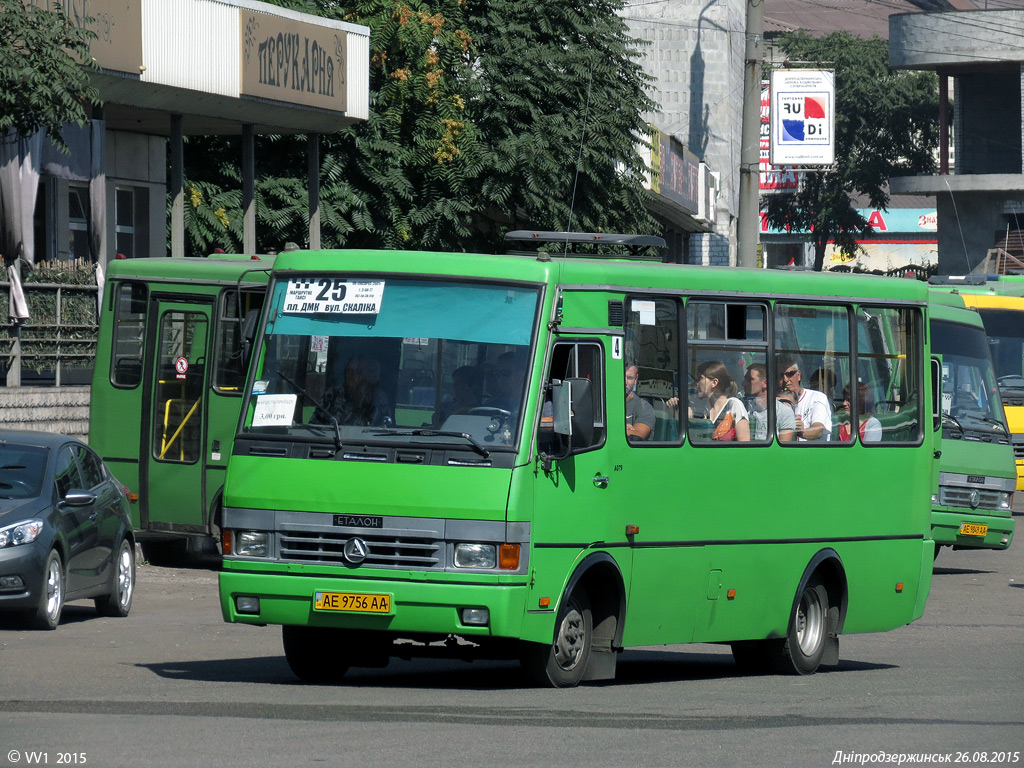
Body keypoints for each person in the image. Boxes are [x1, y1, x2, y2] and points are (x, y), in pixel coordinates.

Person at [323, 355, 392, 426]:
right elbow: (315, 425)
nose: (350, 375)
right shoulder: (333, 394)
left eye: (358, 371)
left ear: (368, 376)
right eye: (349, 370)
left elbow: (377, 430)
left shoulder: (379, 400)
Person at [692, 360, 750, 442]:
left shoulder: (733, 405)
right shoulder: (703, 409)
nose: (696, 384)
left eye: (700, 379)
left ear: (714, 383)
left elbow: (745, 443)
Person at [778, 356, 831, 441]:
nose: (785, 379)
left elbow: (818, 431)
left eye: (789, 374)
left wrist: (800, 431)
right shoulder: (775, 401)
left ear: (798, 375)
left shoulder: (817, 397)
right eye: (781, 376)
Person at [743, 363, 796, 442]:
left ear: (765, 383)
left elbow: (783, 449)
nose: (743, 383)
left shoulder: (784, 412)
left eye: (750, 379)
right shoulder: (743, 408)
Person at [625, 363, 656, 441]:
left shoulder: (644, 407)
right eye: (621, 376)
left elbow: (637, 436)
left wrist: (620, 428)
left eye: (629, 378)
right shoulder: (605, 404)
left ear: (636, 379)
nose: (625, 382)